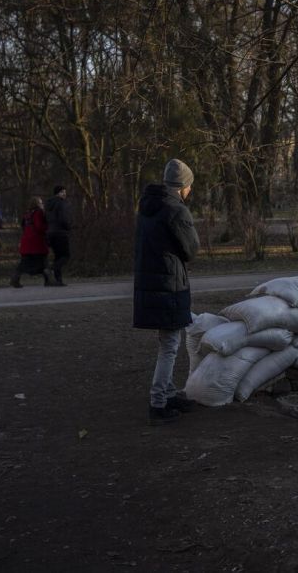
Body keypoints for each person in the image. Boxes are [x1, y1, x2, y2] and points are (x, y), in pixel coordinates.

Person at [133, 158, 201, 426]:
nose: (190, 192)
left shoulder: (148, 206)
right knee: (170, 346)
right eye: (190, 186)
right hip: (169, 284)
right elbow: (191, 249)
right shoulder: (177, 210)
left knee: (167, 342)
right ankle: (158, 402)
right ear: (183, 186)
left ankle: (170, 393)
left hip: (152, 284)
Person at [10, 196, 53, 288]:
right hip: (37, 242)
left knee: (24, 262)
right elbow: (39, 227)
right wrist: (47, 227)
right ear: (37, 204)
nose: (42, 204)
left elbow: (24, 226)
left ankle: (15, 278)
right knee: (44, 261)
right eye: (41, 203)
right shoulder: (39, 213)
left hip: (26, 242)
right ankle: (49, 280)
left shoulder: (27, 214)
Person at [45, 185, 74, 286]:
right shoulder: (61, 203)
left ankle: (58, 280)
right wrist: (69, 227)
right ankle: (51, 269)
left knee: (58, 257)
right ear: (58, 193)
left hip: (50, 233)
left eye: (65, 192)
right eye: (63, 192)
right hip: (61, 233)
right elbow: (63, 219)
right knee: (66, 256)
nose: (65, 194)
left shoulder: (48, 204)